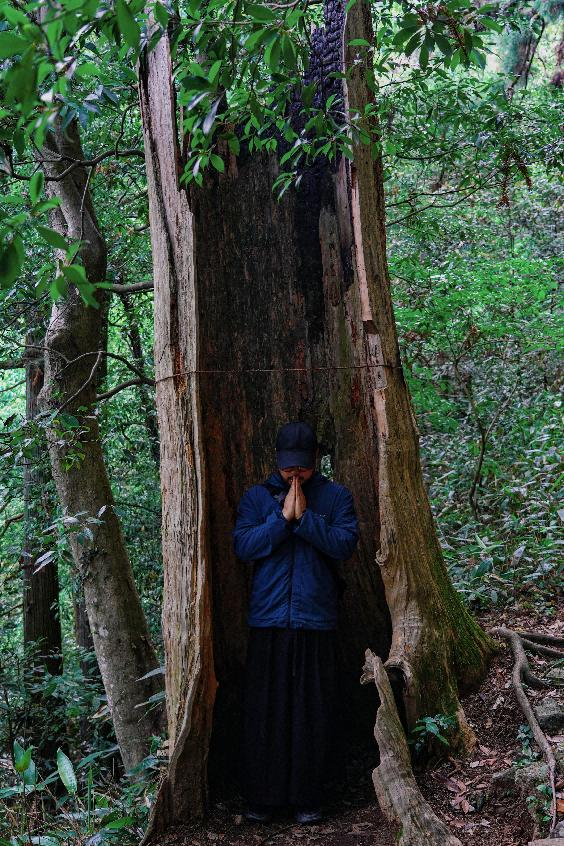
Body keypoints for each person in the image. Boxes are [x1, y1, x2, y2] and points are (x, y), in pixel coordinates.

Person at [232, 421, 359, 825]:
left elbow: (344, 545)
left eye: (301, 467)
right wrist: (282, 520)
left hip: (315, 621)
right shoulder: (257, 498)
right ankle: (263, 798)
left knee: (312, 712)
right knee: (266, 712)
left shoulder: (335, 497)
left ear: (314, 461)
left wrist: (306, 520)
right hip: (268, 620)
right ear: (278, 461)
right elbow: (243, 546)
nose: (295, 475)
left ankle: (308, 797)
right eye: (289, 468)